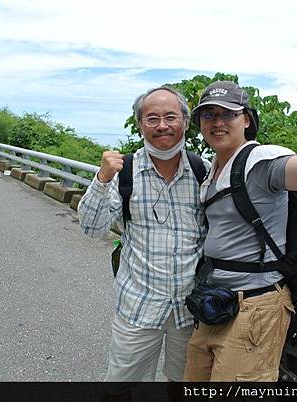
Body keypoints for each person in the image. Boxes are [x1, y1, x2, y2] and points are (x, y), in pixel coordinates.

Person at [184, 79, 297, 381]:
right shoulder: (214, 168)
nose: (217, 122)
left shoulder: (262, 162)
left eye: (228, 114)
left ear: (246, 120)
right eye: (208, 115)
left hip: (255, 307)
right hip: (217, 299)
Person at [77, 86, 208, 384]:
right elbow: (90, 228)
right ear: (140, 124)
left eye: (170, 117)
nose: (162, 125)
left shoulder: (204, 170)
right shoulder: (124, 172)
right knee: (121, 385)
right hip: (138, 305)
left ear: (186, 122)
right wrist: (102, 179)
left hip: (190, 309)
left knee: (185, 382)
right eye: (152, 118)